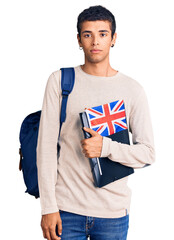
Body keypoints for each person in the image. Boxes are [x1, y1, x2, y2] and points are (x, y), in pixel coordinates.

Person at [36, 5, 155, 240]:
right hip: (66, 210)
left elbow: (148, 153)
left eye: (103, 34)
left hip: (113, 213)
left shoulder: (132, 90)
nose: (95, 42)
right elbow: (46, 148)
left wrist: (106, 148)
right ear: (79, 40)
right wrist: (48, 207)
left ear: (113, 39)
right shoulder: (60, 82)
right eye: (88, 35)